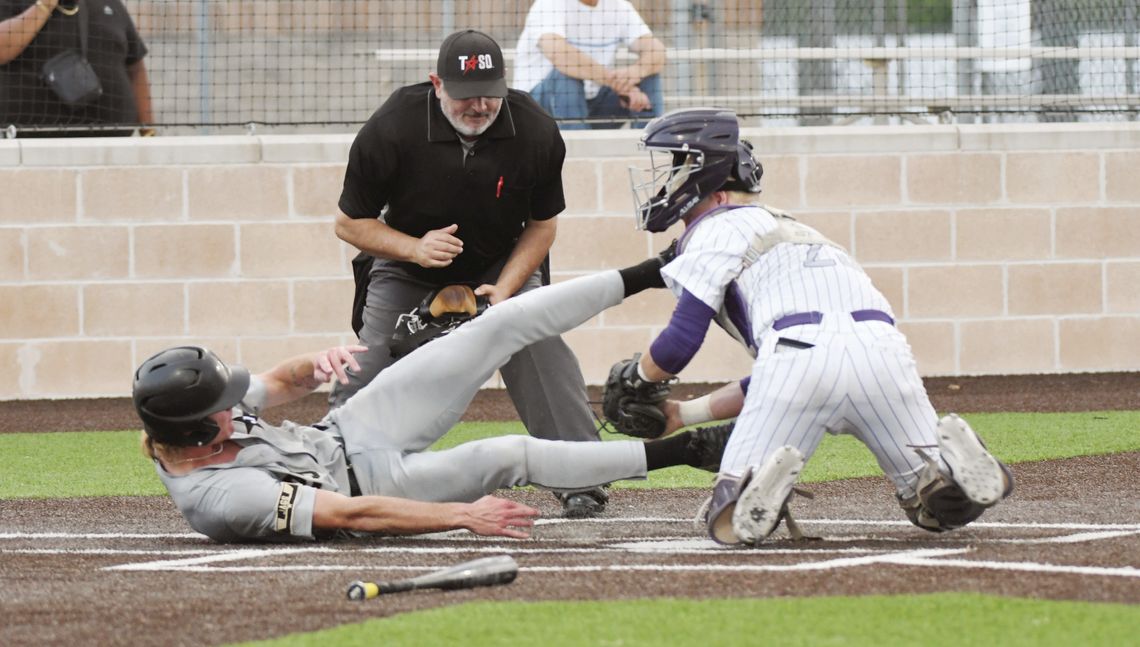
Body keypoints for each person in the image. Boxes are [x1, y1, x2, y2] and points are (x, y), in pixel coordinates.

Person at [618, 107, 1014, 546]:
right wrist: (683, 414)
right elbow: (786, 364)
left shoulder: (713, 230)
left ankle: (750, 487)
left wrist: (640, 376)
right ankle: (954, 468)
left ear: (707, 181)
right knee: (935, 508)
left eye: (677, 168)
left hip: (795, 360)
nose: (667, 182)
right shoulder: (800, 230)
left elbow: (680, 343)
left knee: (728, 522)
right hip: (882, 352)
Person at [133, 259, 729, 543]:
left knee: (491, 327)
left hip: (348, 427)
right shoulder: (219, 498)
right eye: (222, 402)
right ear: (193, 433)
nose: (235, 401)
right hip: (373, 489)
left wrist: (313, 366)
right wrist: (462, 515)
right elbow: (349, 516)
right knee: (511, 452)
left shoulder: (198, 418)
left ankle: (663, 267)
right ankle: (688, 450)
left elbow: (279, 381)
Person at [333, 29, 607, 518]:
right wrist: (415, 249)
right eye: (465, 95)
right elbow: (349, 223)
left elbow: (543, 226)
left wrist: (505, 291)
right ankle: (332, 471)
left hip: (502, 261)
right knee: (371, 357)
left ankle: (580, 473)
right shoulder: (393, 126)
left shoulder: (537, 129)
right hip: (409, 261)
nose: (479, 106)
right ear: (437, 84)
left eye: (490, 94)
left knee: (535, 338)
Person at [0, 0, 154, 136]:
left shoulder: (111, 3)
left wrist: (148, 133)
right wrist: (44, 5)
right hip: (32, 146)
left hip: (112, 145)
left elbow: (135, 66)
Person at [513, 0, 666, 129]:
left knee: (648, 75)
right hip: (536, 108)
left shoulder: (619, 6)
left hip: (592, 104)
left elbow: (657, 51)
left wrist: (636, 73)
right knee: (565, 77)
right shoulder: (549, 5)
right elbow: (560, 56)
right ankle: (573, 155)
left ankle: (649, 152)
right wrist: (616, 83)